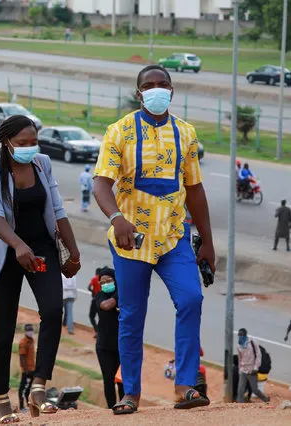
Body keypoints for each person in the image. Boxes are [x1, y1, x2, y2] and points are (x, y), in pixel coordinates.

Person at [93, 65, 215, 413]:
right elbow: (101, 183)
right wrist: (117, 218)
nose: (157, 90)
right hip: (131, 241)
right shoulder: (119, 132)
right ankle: (130, 393)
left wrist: (207, 241)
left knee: (191, 299)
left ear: (173, 91)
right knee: (131, 316)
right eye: (150, 85)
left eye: (163, 84)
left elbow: (194, 189)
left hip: (174, 237)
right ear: (139, 93)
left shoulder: (186, 133)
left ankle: (186, 386)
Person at [0, 115, 82, 422]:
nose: (29, 148)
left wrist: (74, 252)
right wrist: (18, 246)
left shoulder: (42, 163)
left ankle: (39, 388)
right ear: (6, 142)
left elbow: (57, 209)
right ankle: (2, 398)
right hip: (5, 251)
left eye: (33, 142)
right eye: (22, 144)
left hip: (41, 248)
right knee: (4, 326)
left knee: (54, 310)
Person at [94, 267, 125, 409]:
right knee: (108, 378)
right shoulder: (100, 296)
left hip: (121, 345)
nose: (106, 283)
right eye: (103, 282)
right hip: (104, 347)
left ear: (115, 280)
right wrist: (118, 296)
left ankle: (125, 403)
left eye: (109, 280)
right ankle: (111, 407)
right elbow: (106, 306)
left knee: (122, 379)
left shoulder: (124, 294)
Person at [236, 328, 269, 403]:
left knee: (255, 389)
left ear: (245, 335)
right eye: (239, 335)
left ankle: (265, 399)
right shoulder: (238, 345)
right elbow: (240, 357)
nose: (240, 337)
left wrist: (256, 367)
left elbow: (258, 355)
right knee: (240, 390)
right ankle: (240, 406)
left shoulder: (252, 343)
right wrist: (240, 368)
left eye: (241, 335)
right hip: (243, 370)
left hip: (252, 370)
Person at [18, 324, 36, 412]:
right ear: (25, 331)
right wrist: (26, 370)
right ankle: (21, 406)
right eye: (29, 330)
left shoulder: (32, 341)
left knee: (28, 388)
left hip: (32, 369)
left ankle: (28, 404)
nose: (30, 332)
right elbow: (22, 357)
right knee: (23, 388)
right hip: (27, 370)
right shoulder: (23, 342)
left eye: (31, 330)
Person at [87, 268, 102, 336]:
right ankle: (100, 332)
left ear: (96, 272)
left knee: (91, 316)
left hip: (95, 299)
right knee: (100, 317)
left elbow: (89, 287)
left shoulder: (94, 279)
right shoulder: (102, 279)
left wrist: (93, 291)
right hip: (101, 300)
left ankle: (97, 330)